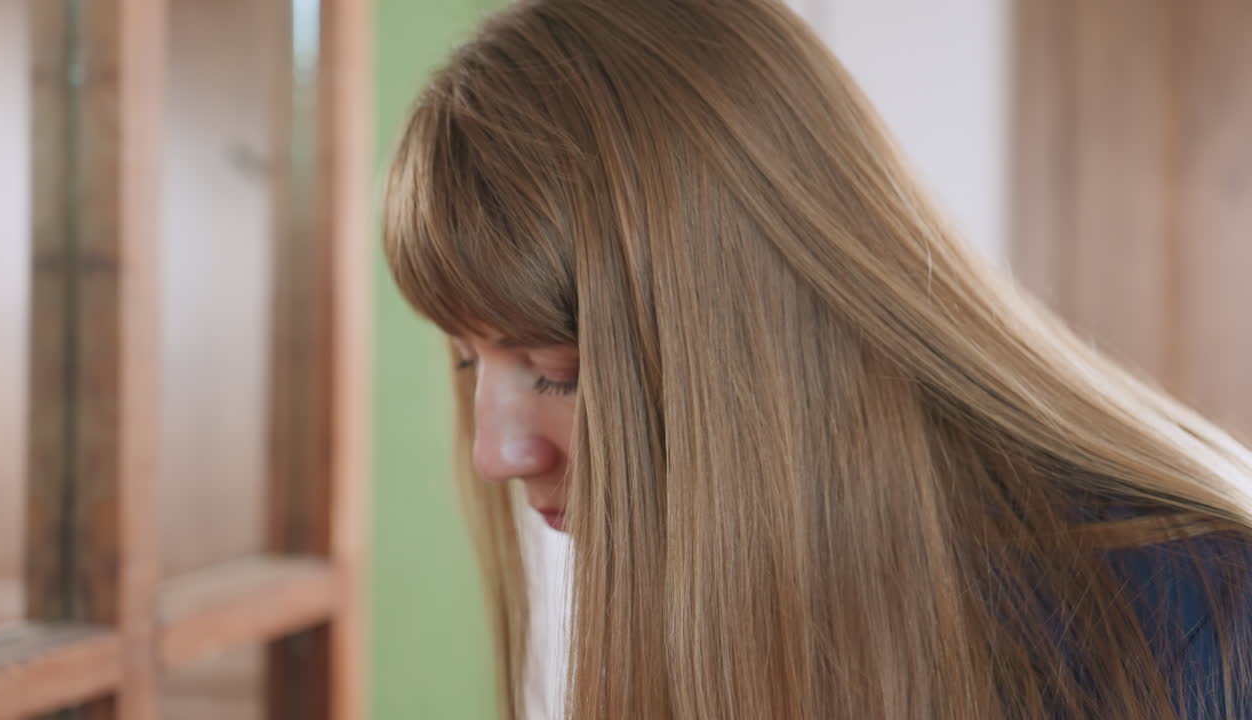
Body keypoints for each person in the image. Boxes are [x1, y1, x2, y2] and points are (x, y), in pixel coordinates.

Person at [381, 0, 1252, 717]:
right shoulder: (724, 590)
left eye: (557, 371)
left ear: (762, 338)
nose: (494, 454)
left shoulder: (1196, 628)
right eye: (467, 361)